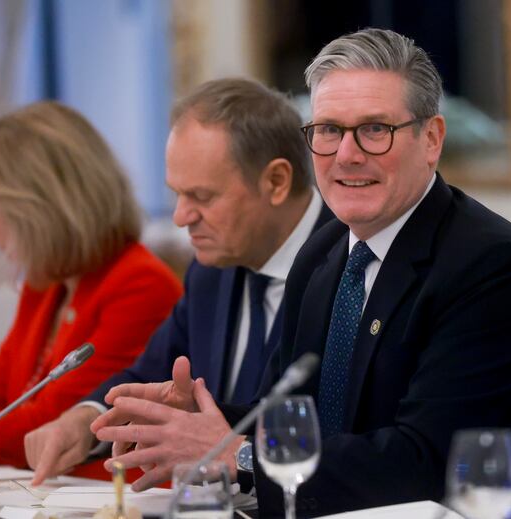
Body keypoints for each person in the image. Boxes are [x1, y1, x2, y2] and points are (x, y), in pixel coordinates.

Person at [91, 28, 511, 516]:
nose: (346, 154)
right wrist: (203, 422)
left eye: (375, 129)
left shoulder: (492, 267)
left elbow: (427, 461)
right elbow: (287, 417)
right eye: (328, 130)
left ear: (431, 139)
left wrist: (237, 453)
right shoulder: (323, 252)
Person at [24, 78, 332, 484]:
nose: (180, 217)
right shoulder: (210, 271)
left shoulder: (351, 265)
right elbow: (148, 375)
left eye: (202, 197)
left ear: (276, 182)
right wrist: (84, 420)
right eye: (177, 194)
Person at [0, 101, 182, 468]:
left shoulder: (141, 284)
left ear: (39, 207)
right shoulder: (46, 282)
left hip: (102, 492)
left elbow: (50, 426)